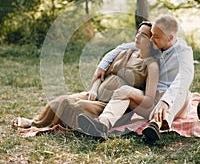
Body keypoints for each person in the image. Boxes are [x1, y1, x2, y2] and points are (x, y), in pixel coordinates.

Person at [12, 22, 159, 135]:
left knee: (76, 106)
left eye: (144, 35)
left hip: (111, 105)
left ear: (152, 41)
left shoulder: (151, 65)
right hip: (96, 95)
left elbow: (148, 98)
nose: (137, 37)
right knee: (61, 100)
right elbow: (101, 75)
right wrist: (93, 90)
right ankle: (34, 122)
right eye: (138, 32)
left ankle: (85, 126)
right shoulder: (125, 53)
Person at [90, 14, 194, 142]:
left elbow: (183, 79)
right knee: (124, 91)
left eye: (155, 37)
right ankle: (102, 125)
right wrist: (102, 66)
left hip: (175, 102)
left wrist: (166, 101)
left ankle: (156, 124)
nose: (151, 40)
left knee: (182, 92)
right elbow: (123, 47)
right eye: (151, 35)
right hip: (152, 101)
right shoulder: (156, 43)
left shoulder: (184, 53)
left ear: (170, 38)